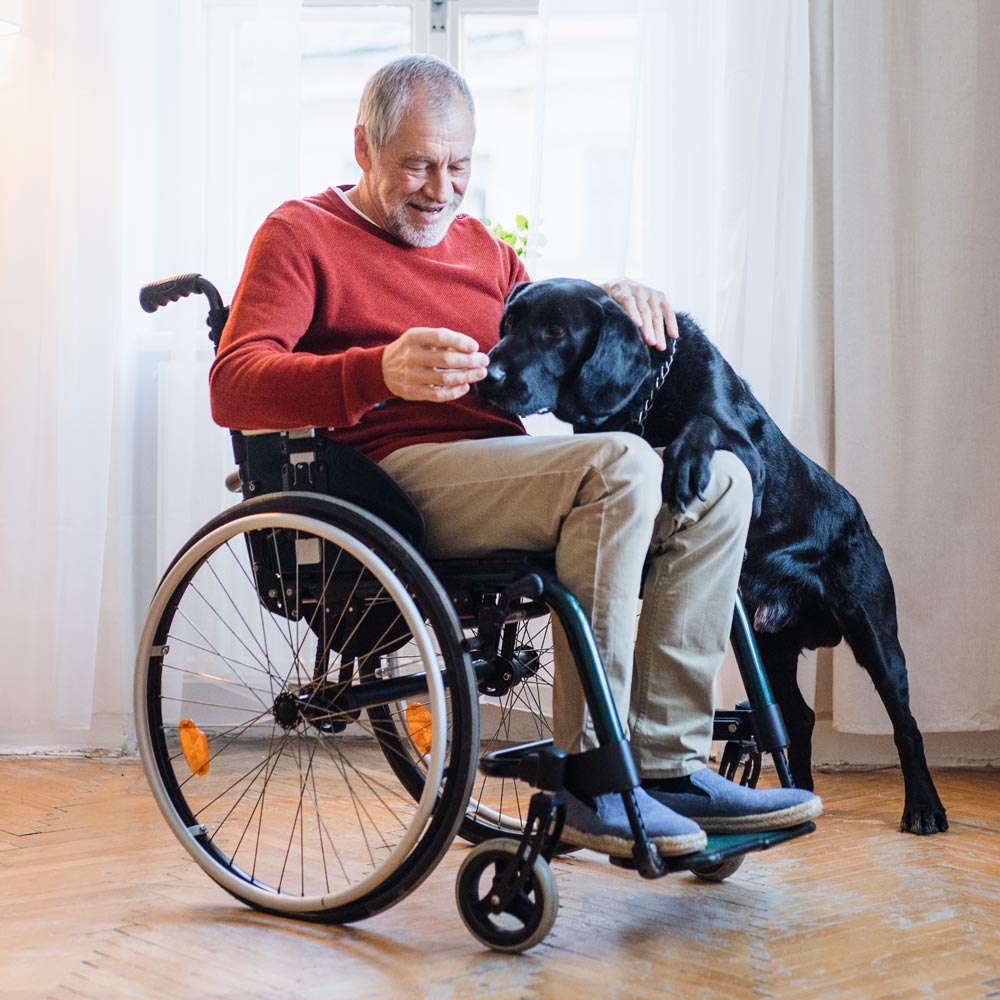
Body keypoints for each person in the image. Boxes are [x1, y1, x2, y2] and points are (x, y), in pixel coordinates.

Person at [210, 54, 821, 858]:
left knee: (722, 482)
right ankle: (590, 778)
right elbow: (235, 384)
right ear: (363, 149)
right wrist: (375, 369)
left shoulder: (485, 253)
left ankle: (665, 766)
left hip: (510, 471)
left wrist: (617, 303)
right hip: (389, 483)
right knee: (621, 465)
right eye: (417, 165)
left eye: (459, 166)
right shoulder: (301, 234)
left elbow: (555, 349)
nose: (441, 188)